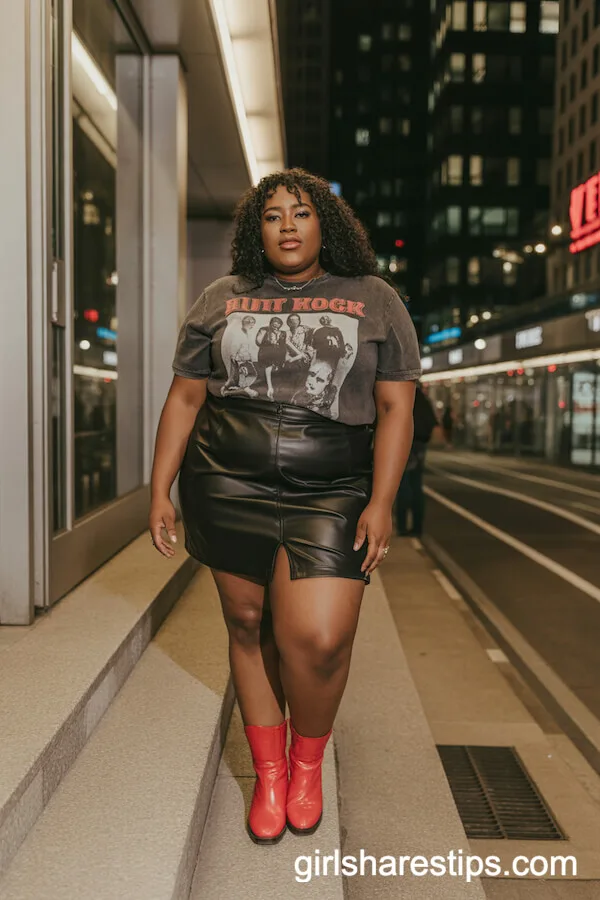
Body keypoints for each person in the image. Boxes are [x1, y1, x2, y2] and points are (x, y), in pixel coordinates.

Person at [149, 168, 421, 846]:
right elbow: (185, 398)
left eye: (301, 213)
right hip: (225, 479)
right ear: (256, 229)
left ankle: (309, 760)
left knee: (320, 639)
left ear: (325, 225)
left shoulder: (374, 298)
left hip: (330, 488)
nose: (288, 226)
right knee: (247, 625)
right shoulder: (222, 297)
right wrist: (161, 487)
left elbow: (396, 407)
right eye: (273, 216)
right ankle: (273, 778)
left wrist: (382, 501)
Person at [395, 384, 438, 537]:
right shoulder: (423, 400)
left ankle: (401, 526)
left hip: (403, 445)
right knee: (416, 486)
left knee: (402, 486)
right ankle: (417, 527)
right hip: (419, 447)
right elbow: (432, 423)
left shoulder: (402, 396)